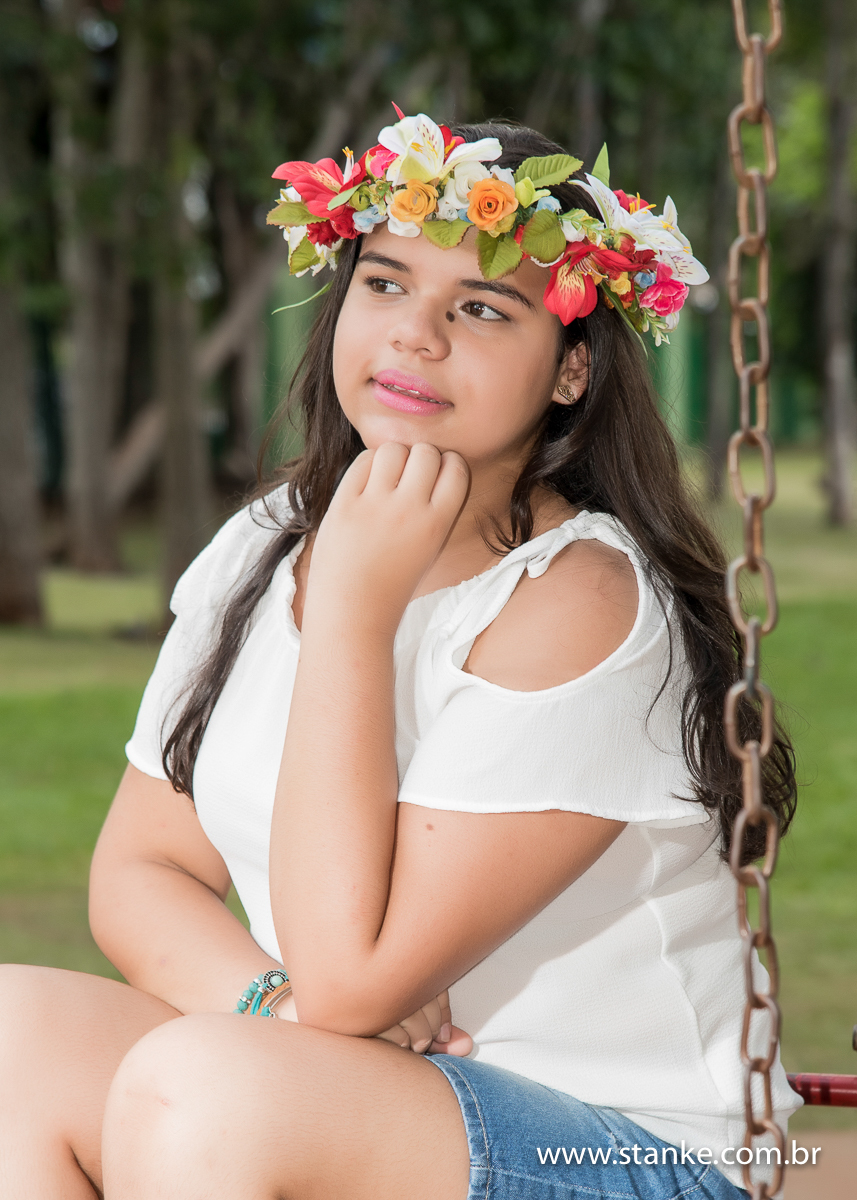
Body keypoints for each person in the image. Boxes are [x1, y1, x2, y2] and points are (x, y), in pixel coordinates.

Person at [0, 113, 801, 1200]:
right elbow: (141, 873)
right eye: (384, 284)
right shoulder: (262, 542)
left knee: (205, 1086)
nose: (414, 336)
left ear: (570, 370)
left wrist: (350, 611)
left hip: (628, 1149)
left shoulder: (581, 602)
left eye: (480, 308)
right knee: (15, 1039)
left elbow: (352, 982)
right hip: (360, 1093)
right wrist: (279, 1006)